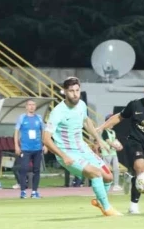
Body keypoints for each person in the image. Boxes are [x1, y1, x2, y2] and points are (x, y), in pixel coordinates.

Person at [42, 77, 121, 217]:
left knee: (108, 177)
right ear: (65, 92)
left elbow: (86, 121)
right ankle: (107, 208)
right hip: (68, 153)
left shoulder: (82, 105)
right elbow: (46, 139)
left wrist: (99, 140)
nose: (75, 94)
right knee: (95, 173)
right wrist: (63, 156)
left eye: (77, 90)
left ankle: (100, 201)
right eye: (71, 91)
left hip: (83, 150)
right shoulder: (57, 112)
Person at [97, 78, 144, 215]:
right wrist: (102, 127)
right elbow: (119, 117)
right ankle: (134, 207)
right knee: (142, 171)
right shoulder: (135, 105)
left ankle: (130, 177)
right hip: (133, 143)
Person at [14, 99, 46, 199]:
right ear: (26, 107)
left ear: (35, 107)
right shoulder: (22, 118)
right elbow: (16, 132)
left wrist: (45, 144)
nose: (31, 106)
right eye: (29, 105)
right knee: (23, 169)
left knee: (36, 170)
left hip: (37, 148)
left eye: (33, 105)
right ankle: (23, 191)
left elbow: (43, 131)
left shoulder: (39, 118)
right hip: (25, 148)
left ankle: (34, 192)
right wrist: (16, 145)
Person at [100, 114, 123, 192]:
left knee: (116, 169)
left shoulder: (113, 132)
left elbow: (115, 140)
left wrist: (120, 146)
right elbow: (108, 141)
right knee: (106, 169)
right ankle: (104, 184)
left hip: (113, 153)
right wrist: (115, 146)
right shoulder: (104, 131)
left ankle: (116, 185)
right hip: (106, 153)